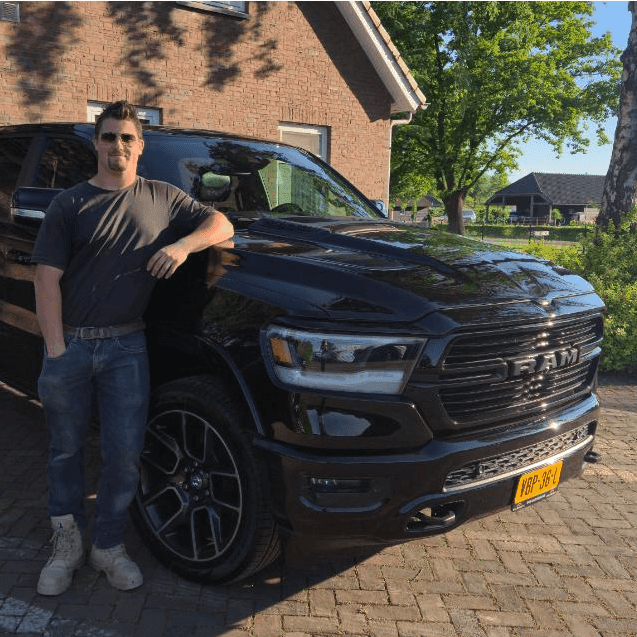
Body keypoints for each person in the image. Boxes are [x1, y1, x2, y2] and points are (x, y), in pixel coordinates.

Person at [32, 101, 234, 596]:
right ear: (96, 144)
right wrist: (56, 349)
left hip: (127, 348)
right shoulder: (70, 204)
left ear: (140, 146)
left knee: (124, 455)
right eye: (108, 137)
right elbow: (45, 279)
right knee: (65, 452)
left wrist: (182, 246)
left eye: (127, 137)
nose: (117, 146)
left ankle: (106, 546)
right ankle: (66, 547)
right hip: (71, 346)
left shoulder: (164, 198)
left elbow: (221, 224)